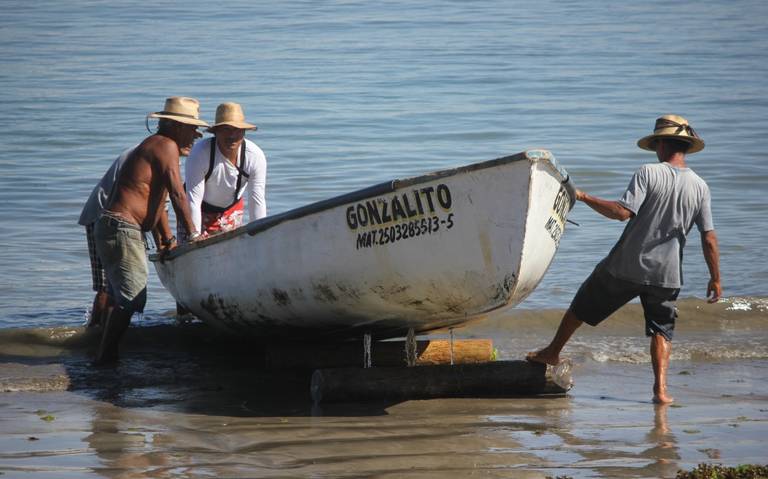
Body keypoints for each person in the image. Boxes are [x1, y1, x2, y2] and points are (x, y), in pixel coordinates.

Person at [527, 114, 722, 404]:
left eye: (656, 143)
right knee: (661, 331)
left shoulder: (648, 172)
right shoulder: (701, 187)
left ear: (661, 145)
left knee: (581, 306)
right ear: (684, 147)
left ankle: (552, 352)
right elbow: (708, 238)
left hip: (626, 267)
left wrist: (581, 196)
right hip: (667, 275)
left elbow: (621, 212)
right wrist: (716, 278)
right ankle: (661, 391)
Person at [92, 97, 208, 365]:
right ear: (176, 126)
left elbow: (157, 204)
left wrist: (166, 240)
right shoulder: (166, 145)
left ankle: (102, 352)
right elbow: (179, 195)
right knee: (133, 298)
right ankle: (105, 357)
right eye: (192, 130)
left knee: (119, 296)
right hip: (121, 227)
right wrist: (193, 234)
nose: (195, 136)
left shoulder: (156, 147)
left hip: (114, 227)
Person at [183, 102, 267, 240]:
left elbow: (257, 199)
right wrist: (194, 236)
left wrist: (260, 235)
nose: (232, 136)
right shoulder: (200, 153)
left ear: (244, 132)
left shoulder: (254, 156)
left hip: (231, 209)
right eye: (226, 130)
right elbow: (193, 200)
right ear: (216, 132)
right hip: (200, 209)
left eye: (237, 130)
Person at [78, 147, 135, 328]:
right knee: (106, 286)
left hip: (109, 217)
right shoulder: (152, 153)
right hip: (102, 217)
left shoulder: (146, 149)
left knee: (111, 285)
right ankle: (95, 332)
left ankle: (97, 331)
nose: (194, 136)